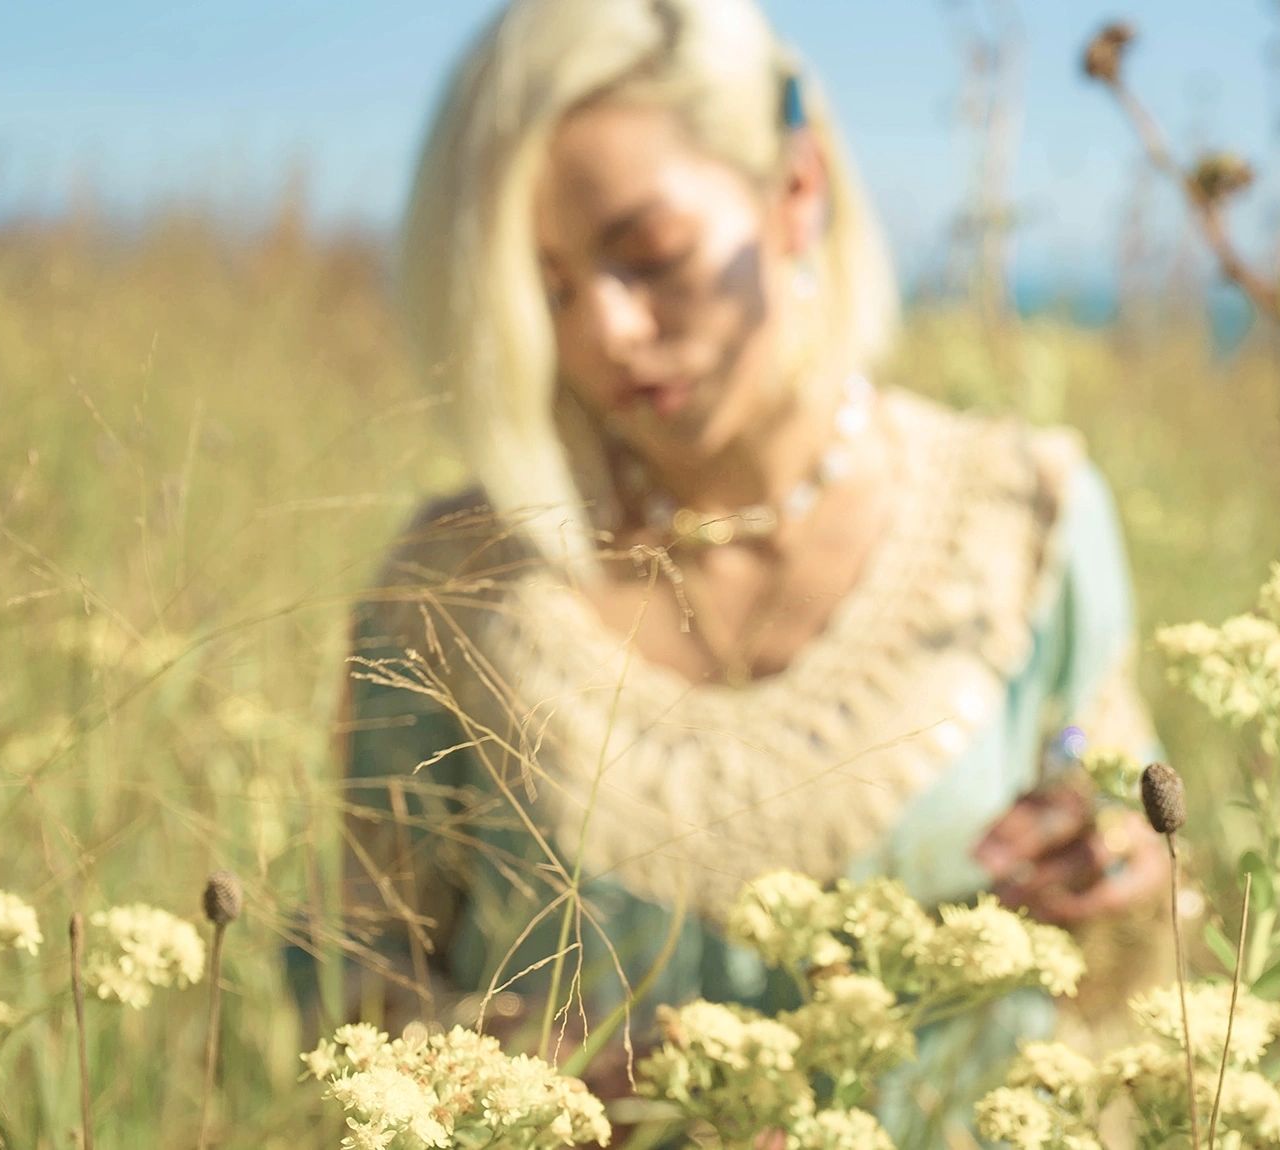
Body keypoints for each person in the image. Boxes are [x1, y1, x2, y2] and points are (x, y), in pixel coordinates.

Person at [338, 0, 1170, 1142]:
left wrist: (1125, 880)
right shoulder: (456, 586)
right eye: (550, 288)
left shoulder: (1025, 520)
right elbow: (349, 989)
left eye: (649, 255)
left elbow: (1138, 956)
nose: (608, 332)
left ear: (796, 190)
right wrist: (538, 1084)